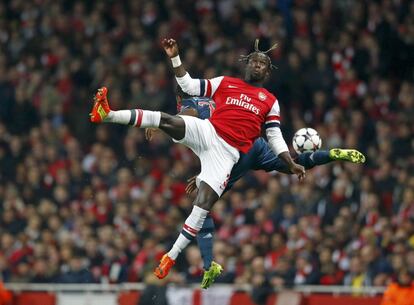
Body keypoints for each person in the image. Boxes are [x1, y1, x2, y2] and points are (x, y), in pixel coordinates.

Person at [90, 37, 306, 283]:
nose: (257, 65)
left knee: (202, 205)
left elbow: (274, 135)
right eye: (254, 61)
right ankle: (106, 115)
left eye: (262, 64)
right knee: (166, 120)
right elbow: (189, 86)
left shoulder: (269, 100)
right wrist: (174, 56)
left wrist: (289, 162)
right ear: (247, 65)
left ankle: (171, 256)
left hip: (226, 154)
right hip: (208, 132)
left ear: (267, 71)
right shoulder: (226, 83)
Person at [146, 90, 365, 289]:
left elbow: (188, 119)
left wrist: (158, 123)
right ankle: (332, 154)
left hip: (234, 156)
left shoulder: (189, 102)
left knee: (202, 208)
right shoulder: (219, 97)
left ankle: (205, 263)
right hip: (254, 145)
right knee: (293, 163)